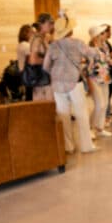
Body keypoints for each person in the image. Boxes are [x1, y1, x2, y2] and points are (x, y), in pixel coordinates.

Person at [43, 14, 100, 154]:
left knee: (63, 115)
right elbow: (92, 54)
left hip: (57, 84)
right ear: (70, 31)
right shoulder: (77, 43)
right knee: (81, 113)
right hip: (74, 82)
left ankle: (68, 146)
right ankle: (86, 146)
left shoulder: (53, 46)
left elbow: (45, 66)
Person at [87, 24, 112, 138]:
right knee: (99, 104)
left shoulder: (105, 46)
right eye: (102, 33)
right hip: (95, 78)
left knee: (105, 104)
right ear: (96, 35)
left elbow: (106, 59)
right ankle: (91, 128)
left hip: (105, 77)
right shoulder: (91, 48)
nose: (105, 35)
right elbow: (88, 65)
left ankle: (100, 128)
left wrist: (110, 61)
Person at [28, 13, 55, 102]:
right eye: (49, 23)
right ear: (41, 24)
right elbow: (33, 60)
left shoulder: (42, 38)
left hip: (44, 79)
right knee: (44, 109)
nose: (52, 26)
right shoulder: (37, 39)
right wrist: (48, 60)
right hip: (41, 80)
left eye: (52, 23)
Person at [17, 24, 34, 101]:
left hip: (22, 72)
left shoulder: (20, 44)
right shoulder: (26, 45)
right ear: (26, 33)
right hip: (27, 72)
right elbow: (30, 59)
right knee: (30, 95)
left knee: (29, 93)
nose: (33, 34)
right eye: (31, 32)